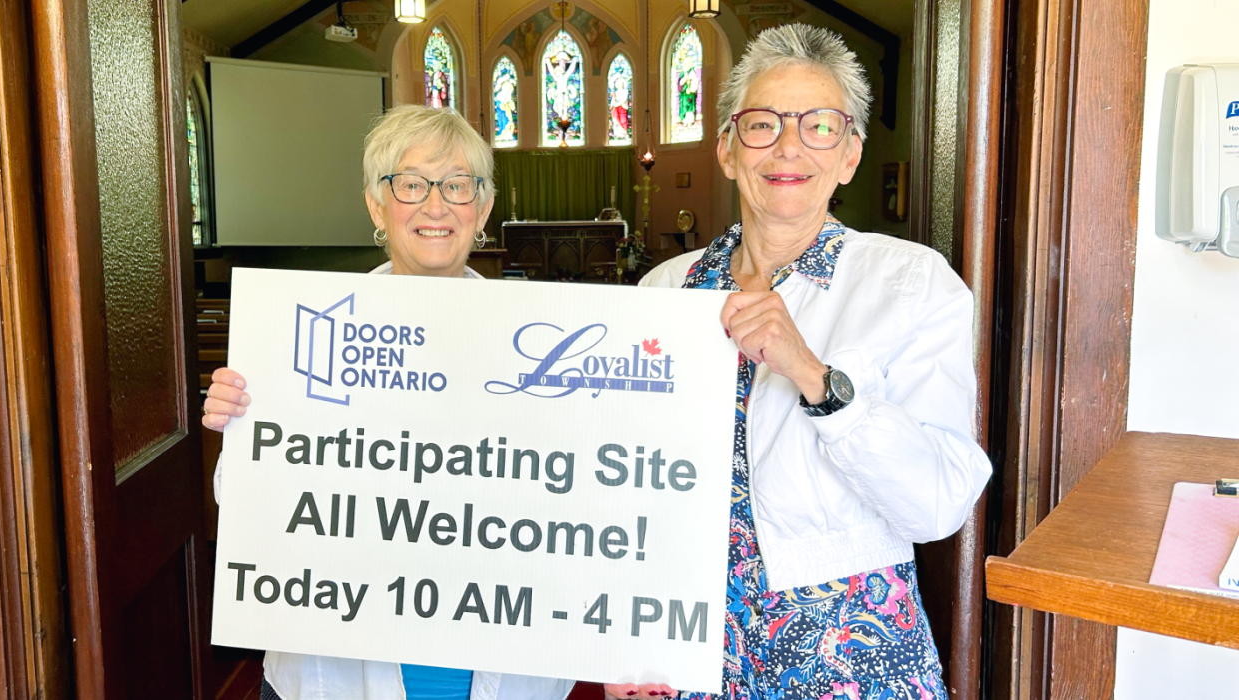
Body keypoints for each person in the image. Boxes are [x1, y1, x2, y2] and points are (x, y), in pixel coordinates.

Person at [632, 24, 992, 700]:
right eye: (763, 124)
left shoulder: (909, 283)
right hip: (691, 635)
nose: (790, 146)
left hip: (848, 643)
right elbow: (629, 488)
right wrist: (628, 637)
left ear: (850, 154)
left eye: (821, 125)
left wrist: (814, 378)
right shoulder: (666, 289)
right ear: (729, 152)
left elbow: (938, 505)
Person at [203, 105, 581, 700]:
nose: (436, 205)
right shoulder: (304, 332)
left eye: (458, 185)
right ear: (377, 205)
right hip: (334, 668)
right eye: (411, 184)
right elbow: (247, 505)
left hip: (503, 655)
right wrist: (243, 423)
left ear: (482, 208)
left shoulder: (548, 343)